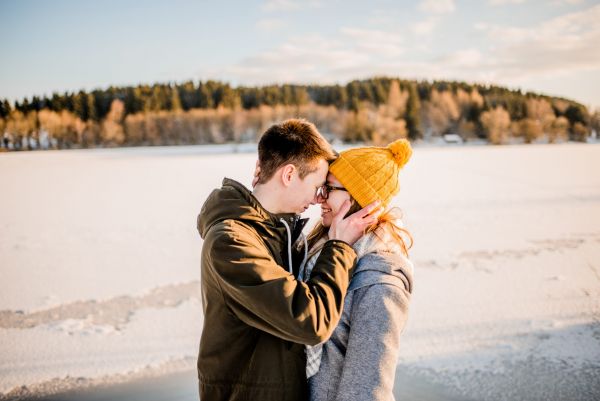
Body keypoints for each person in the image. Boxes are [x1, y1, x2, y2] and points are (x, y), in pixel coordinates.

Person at [196, 118, 381, 401]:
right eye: (317, 186)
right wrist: (340, 247)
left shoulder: (279, 233)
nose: (318, 199)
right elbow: (312, 321)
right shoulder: (231, 243)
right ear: (289, 174)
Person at [301, 139, 415, 401]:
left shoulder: (380, 281)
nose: (321, 197)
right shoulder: (319, 251)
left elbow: (367, 390)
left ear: (358, 197)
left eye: (330, 188)